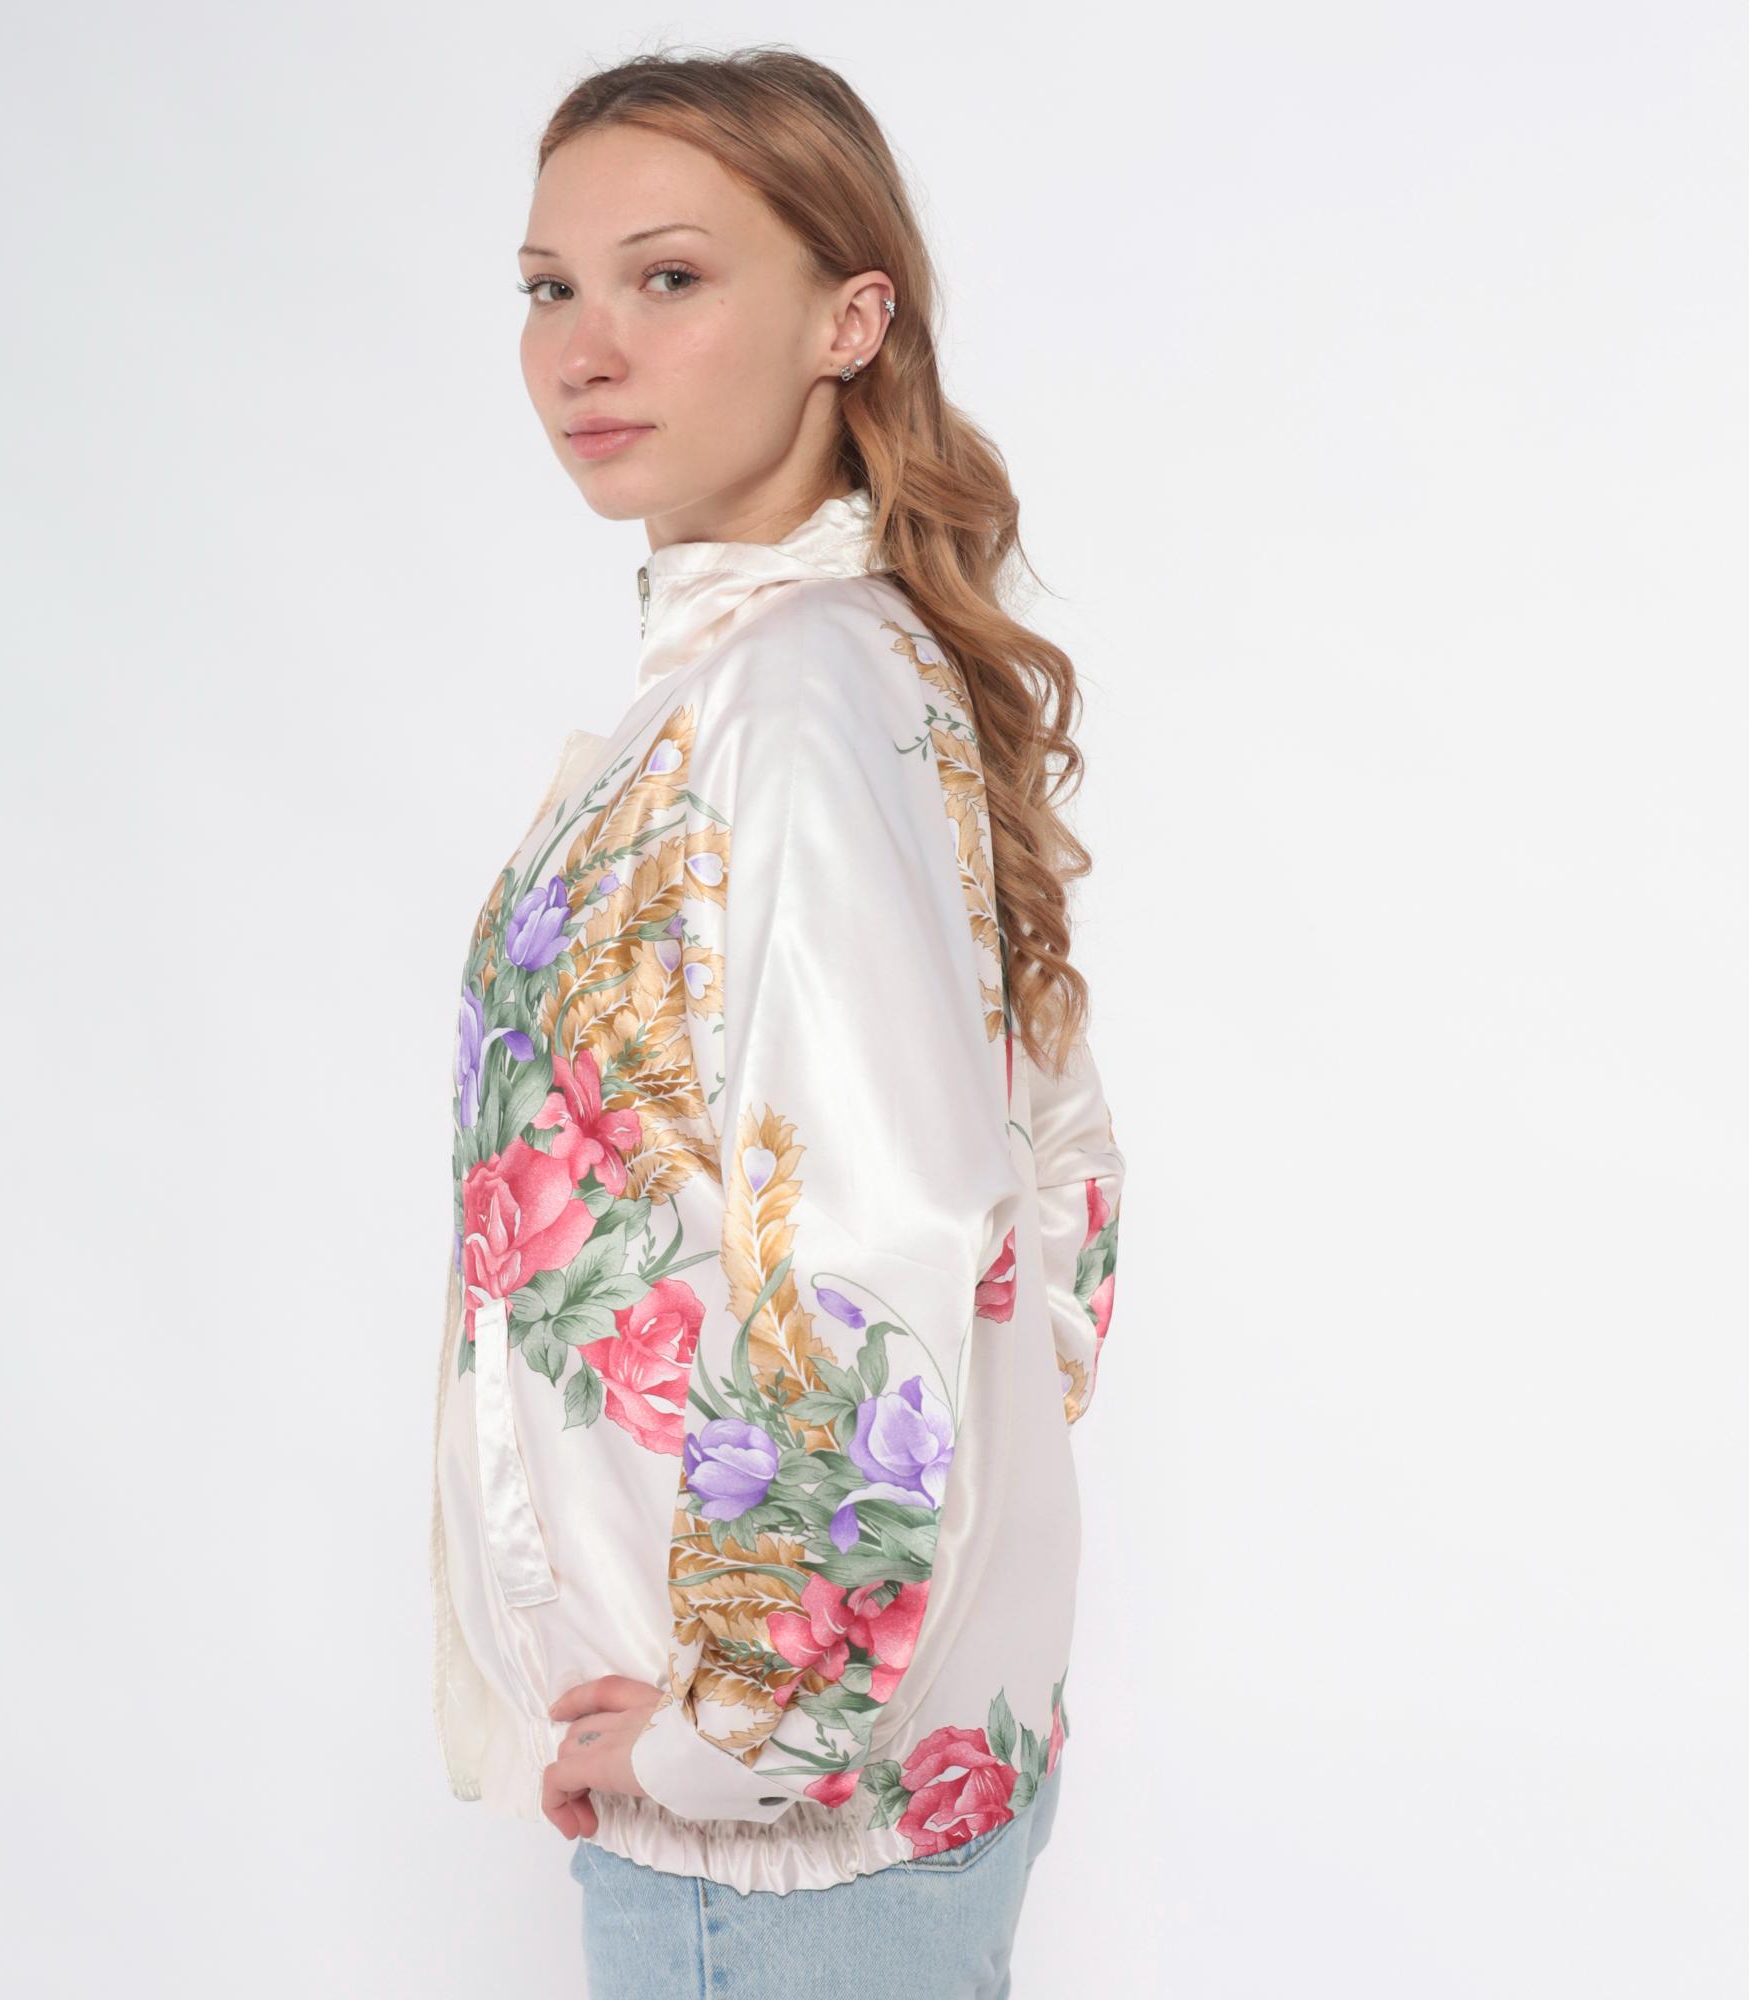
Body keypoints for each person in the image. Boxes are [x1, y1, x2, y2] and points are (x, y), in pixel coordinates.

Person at [429, 44, 1127, 1998]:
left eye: (667, 277)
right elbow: (1058, 1187)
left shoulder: (794, 699)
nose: (584, 349)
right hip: (858, 1797)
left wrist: (743, 1724)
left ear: (849, 318)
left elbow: (877, 1236)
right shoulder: (815, 671)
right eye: (548, 287)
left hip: (782, 1849)